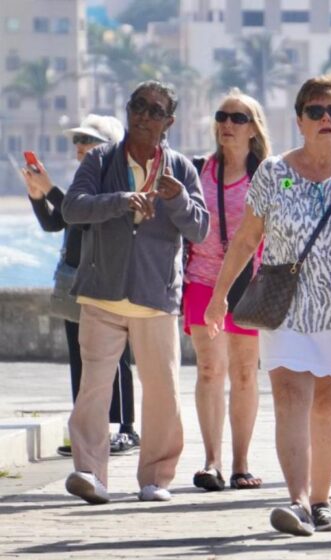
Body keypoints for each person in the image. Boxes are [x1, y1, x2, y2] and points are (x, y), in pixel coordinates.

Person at [205, 74, 331, 535]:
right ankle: (297, 502)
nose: (327, 119)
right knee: (291, 398)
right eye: (316, 111)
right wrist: (217, 296)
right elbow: (248, 239)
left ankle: (322, 499)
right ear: (300, 120)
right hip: (285, 308)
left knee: (328, 407)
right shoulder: (273, 172)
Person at [61, 80, 210, 504]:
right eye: (137, 106)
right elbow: (73, 208)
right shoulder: (102, 160)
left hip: (156, 298)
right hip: (101, 294)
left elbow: (200, 227)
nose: (143, 115)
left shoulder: (180, 168)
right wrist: (122, 200)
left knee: (162, 392)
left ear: (169, 122)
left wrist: (178, 200)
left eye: (154, 110)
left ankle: (156, 478)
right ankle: (89, 473)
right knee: (93, 388)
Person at [22, 114, 140, 457]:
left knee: (117, 356)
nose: (79, 148)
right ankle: (88, 431)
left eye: (87, 142)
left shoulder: (115, 181)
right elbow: (56, 221)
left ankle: (126, 429)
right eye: (78, 142)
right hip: (76, 279)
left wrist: (51, 190)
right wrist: (36, 196)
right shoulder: (81, 181)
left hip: (107, 280)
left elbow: (88, 218)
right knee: (79, 357)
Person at [184, 89, 271, 491]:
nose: (227, 125)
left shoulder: (268, 174)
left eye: (238, 118)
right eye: (222, 116)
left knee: (244, 374)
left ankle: (241, 463)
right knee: (208, 370)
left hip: (251, 286)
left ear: (254, 128)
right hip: (202, 281)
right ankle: (211, 462)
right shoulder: (199, 169)